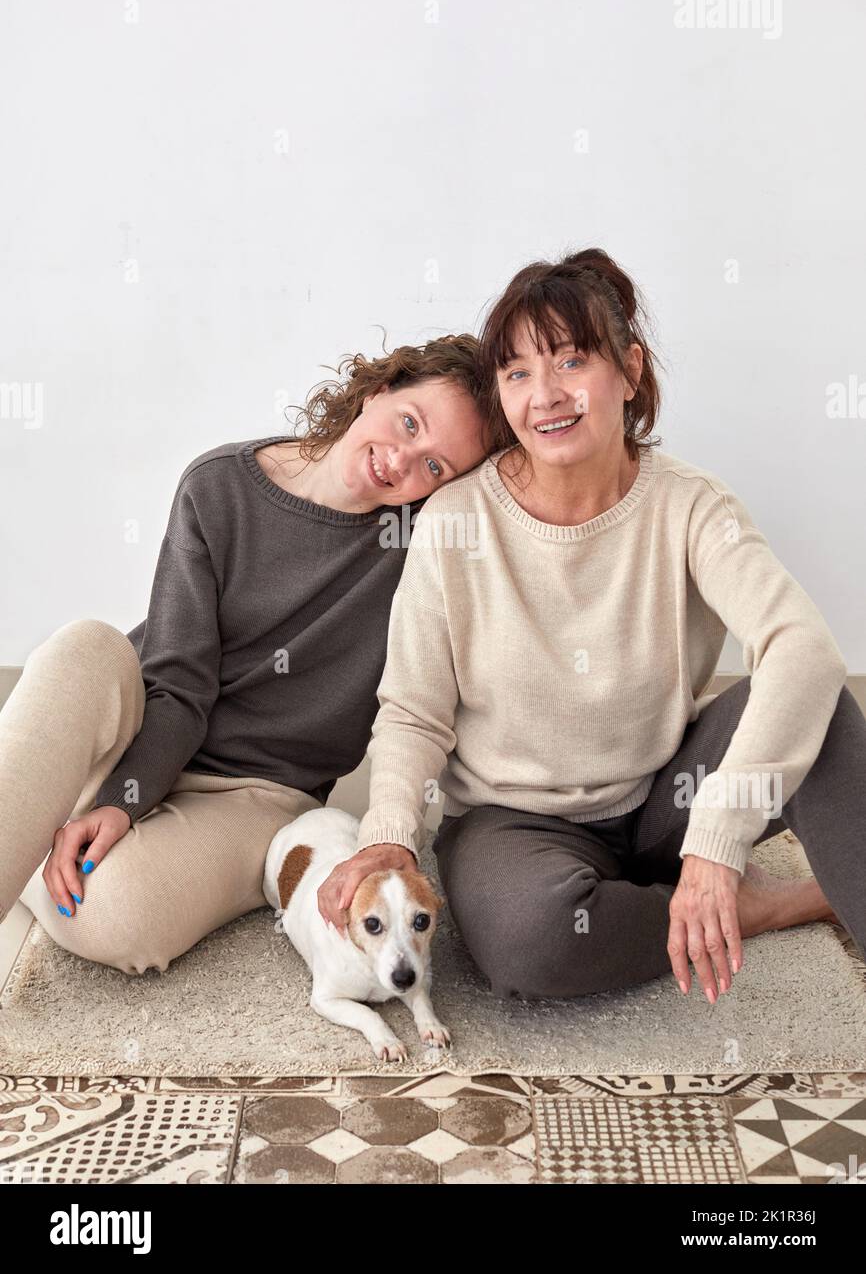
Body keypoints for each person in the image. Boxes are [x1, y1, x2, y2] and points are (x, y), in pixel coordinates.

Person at [318, 249, 865, 1007]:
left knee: (826, 708)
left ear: (630, 372)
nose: (545, 396)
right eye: (516, 373)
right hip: (513, 825)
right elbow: (414, 711)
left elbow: (801, 649)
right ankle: (754, 906)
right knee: (531, 941)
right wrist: (388, 833)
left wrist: (714, 839)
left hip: (666, 790)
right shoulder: (455, 521)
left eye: (571, 361)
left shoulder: (691, 505)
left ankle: (713, 884)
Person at [0, 335, 493, 975]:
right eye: (409, 422)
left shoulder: (423, 549)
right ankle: (43, 817)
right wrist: (125, 798)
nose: (402, 460)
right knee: (81, 648)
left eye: (435, 467)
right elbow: (178, 685)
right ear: (379, 389)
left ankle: (37, 818)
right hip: (143, 728)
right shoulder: (219, 487)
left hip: (258, 791)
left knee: (118, 914)